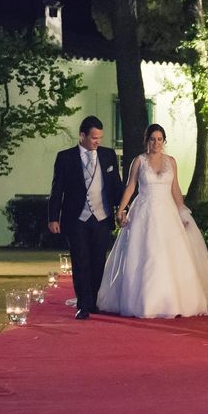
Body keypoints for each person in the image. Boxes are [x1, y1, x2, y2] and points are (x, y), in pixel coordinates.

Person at [97, 124, 208, 318]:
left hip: (167, 213)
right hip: (144, 213)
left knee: (171, 255)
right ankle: (144, 301)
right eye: (152, 139)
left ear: (164, 141)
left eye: (160, 139)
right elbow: (130, 187)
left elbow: (176, 190)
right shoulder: (139, 161)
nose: (156, 143)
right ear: (147, 141)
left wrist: (182, 213)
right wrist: (121, 210)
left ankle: (172, 301)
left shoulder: (171, 162)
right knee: (145, 255)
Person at [48, 116, 123, 320]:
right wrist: (53, 217)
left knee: (99, 261)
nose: (97, 141)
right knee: (80, 261)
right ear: (82, 135)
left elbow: (116, 185)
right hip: (76, 218)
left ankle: (94, 301)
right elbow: (57, 190)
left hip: (101, 216)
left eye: (100, 137)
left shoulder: (108, 156)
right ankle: (83, 305)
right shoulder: (65, 157)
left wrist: (123, 208)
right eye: (93, 137)